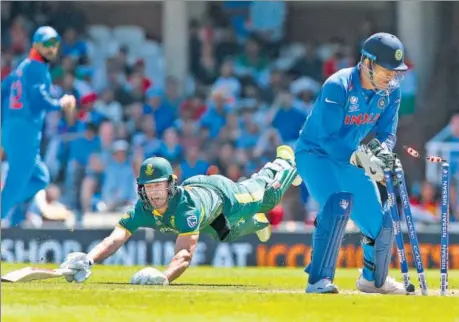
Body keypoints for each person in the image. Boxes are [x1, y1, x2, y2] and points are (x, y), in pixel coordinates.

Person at [59, 145, 301, 285]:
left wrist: (164, 277)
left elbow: (184, 254)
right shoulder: (142, 209)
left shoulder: (186, 208)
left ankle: (285, 161)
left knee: (267, 198)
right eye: (148, 187)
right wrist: (88, 259)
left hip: (223, 196)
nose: (154, 193)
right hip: (208, 212)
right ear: (141, 188)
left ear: (170, 184)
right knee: (225, 235)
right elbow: (115, 238)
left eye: (158, 186)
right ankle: (259, 224)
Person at [295, 32, 409, 294]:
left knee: (381, 223)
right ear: (366, 63)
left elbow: (387, 134)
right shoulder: (338, 85)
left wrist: (381, 155)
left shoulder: (391, 92)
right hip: (316, 154)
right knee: (338, 204)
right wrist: (360, 157)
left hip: (350, 158)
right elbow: (326, 138)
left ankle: (372, 280)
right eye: (385, 70)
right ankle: (318, 281)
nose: (390, 77)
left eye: (395, 72)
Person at [1, 26, 76, 225]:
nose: (52, 49)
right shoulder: (37, 67)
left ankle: (15, 217)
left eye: (54, 44)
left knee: (40, 177)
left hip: (12, 128)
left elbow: (2, 91)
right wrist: (60, 103)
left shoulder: (21, 67)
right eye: (47, 44)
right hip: (24, 129)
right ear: (35, 45)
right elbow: (37, 98)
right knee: (15, 184)